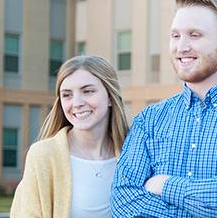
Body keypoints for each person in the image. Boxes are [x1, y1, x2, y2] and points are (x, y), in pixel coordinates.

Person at [110, 0, 217, 218]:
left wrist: (165, 186)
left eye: (194, 35)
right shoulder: (149, 120)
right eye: (175, 36)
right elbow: (124, 203)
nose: (181, 47)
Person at [10, 55, 129, 217]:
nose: (77, 103)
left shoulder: (132, 153)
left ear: (110, 97)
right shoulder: (43, 155)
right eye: (67, 95)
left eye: (88, 91)